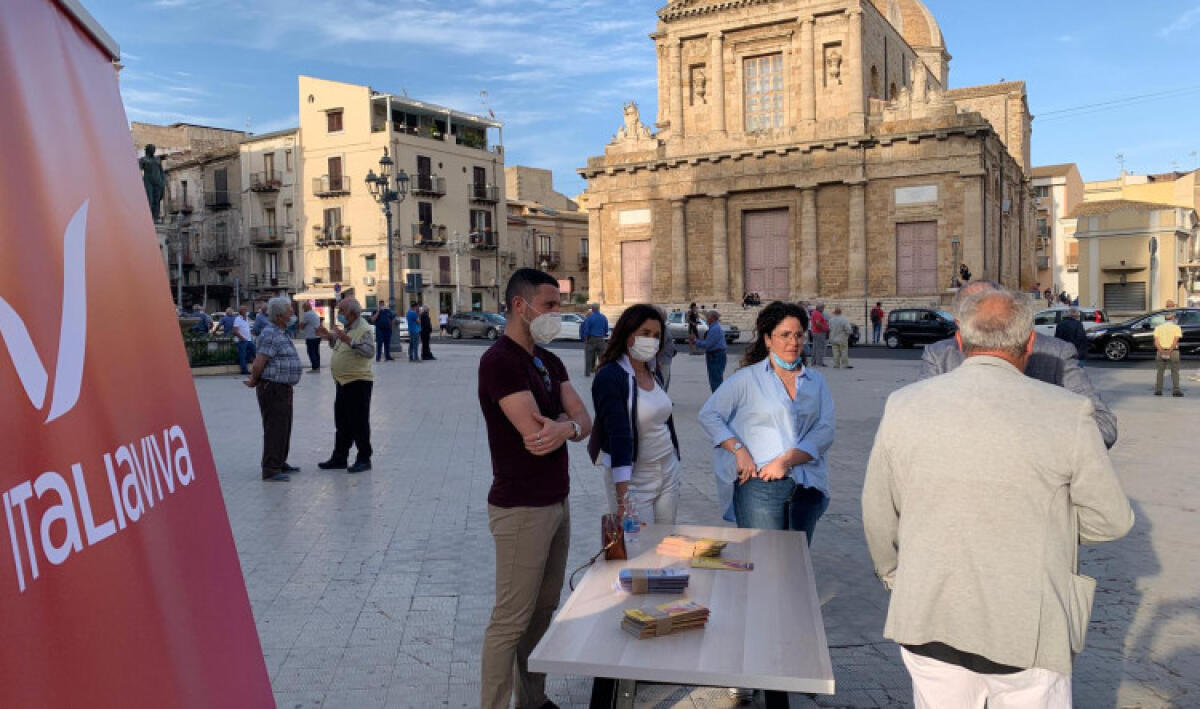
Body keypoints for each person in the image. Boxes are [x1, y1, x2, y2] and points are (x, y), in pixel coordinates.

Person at [862, 288, 1133, 708]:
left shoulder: (904, 404)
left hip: (929, 616)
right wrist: (1042, 524)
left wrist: (898, 578)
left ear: (959, 340)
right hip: (1027, 626)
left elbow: (878, 512)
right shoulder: (1067, 412)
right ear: (1028, 342)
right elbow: (1112, 520)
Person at [477, 268, 592, 709]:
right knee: (510, 619)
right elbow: (535, 437)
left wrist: (566, 427)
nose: (556, 314)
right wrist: (569, 428)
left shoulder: (549, 360)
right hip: (521, 507)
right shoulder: (500, 361)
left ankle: (532, 700)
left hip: (556, 500)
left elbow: (583, 419)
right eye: (549, 305)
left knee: (542, 612)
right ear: (519, 306)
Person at [921, 281, 1118, 449]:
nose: (987, 318)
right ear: (958, 324)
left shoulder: (1055, 353)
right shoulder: (940, 355)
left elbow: (1103, 427)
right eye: (975, 311)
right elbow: (923, 422)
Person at [698, 301, 835, 543]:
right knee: (764, 561)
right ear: (768, 339)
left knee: (795, 561)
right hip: (761, 486)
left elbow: (824, 430)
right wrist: (738, 450)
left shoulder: (816, 381)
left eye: (798, 335)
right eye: (784, 335)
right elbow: (709, 414)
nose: (793, 342)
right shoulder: (747, 379)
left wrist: (786, 461)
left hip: (807, 485)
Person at [589, 305, 681, 524]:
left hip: (668, 471)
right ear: (627, 334)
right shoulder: (610, 376)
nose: (652, 340)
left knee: (665, 544)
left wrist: (676, 459)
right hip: (633, 480)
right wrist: (623, 499)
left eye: (657, 335)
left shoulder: (653, 370)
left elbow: (664, 418)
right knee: (640, 550)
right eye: (645, 333)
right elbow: (617, 436)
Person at [244, 297, 302, 482]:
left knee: (284, 426)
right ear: (279, 316)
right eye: (289, 311)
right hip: (273, 387)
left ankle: (280, 461)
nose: (292, 314)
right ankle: (270, 468)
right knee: (275, 427)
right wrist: (254, 379)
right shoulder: (270, 333)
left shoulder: (280, 332)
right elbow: (259, 362)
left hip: (283, 388)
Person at [316, 298, 375, 474]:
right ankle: (339, 457)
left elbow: (369, 351)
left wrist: (349, 341)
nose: (339, 315)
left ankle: (364, 458)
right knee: (342, 422)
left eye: (342, 311)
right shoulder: (349, 328)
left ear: (353, 313)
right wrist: (329, 337)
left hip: (357, 382)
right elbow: (341, 344)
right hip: (343, 382)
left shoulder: (363, 328)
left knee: (359, 422)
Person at [692, 309, 727, 392]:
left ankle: (718, 400)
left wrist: (695, 341)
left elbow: (708, 344)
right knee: (716, 379)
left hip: (715, 356)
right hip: (716, 355)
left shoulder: (715, 329)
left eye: (708, 317)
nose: (707, 319)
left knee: (715, 381)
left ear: (713, 318)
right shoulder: (714, 327)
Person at [1154, 310, 1183, 397]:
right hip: (1173, 352)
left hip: (1160, 351)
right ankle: (1176, 391)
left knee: (1160, 372)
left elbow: (1156, 342)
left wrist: (1162, 351)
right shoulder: (1177, 328)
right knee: (1175, 372)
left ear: (1165, 319)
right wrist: (1169, 351)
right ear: (1173, 318)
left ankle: (1158, 390)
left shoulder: (1158, 328)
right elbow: (1175, 341)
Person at [652, 306, 678, 392]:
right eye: (664, 315)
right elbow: (658, 345)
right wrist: (657, 360)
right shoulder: (660, 328)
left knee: (665, 383)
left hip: (666, 360)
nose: (666, 316)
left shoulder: (663, 327)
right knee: (661, 384)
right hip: (662, 361)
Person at [580, 302, 610, 377]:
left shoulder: (589, 318)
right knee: (602, 358)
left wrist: (586, 339)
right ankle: (603, 373)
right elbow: (606, 329)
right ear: (599, 308)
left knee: (588, 357)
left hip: (591, 339)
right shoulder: (604, 317)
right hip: (601, 339)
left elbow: (586, 330)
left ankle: (587, 373)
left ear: (592, 309)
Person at [299, 301, 322, 371]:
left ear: (306, 307)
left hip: (311, 336)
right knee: (316, 352)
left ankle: (315, 368)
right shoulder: (315, 313)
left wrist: (301, 325)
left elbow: (301, 326)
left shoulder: (307, 314)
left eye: (303, 308)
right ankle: (317, 367)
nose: (303, 310)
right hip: (317, 336)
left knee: (311, 352)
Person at [232, 305, 255, 375]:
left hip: (249, 340)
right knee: (243, 355)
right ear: (241, 311)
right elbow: (234, 331)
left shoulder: (247, 318)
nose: (246, 311)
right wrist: (242, 338)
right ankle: (244, 370)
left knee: (254, 351)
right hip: (242, 340)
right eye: (244, 309)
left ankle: (240, 361)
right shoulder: (238, 319)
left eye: (246, 309)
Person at [809, 302, 830, 367]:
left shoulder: (814, 313)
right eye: (823, 307)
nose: (823, 309)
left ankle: (814, 362)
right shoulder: (818, 314)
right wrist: (824, 328)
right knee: (820, 348)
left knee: (815, 348)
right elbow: (818, 323)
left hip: (815, 332)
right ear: (820, 308)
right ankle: (819, 363)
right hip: (819, 332)